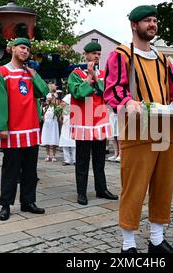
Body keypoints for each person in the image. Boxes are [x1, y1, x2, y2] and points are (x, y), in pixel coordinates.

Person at [104, 5, 173, 253]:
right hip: (136, 130)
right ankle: (128, 244)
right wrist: (127, 101)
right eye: (147, 21)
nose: (152, 24)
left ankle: (156, 239)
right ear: (134, 25)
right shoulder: (121, 55)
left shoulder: (163, 59)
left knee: (163, 185)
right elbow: (113, 89)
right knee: (134, 187)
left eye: (154, 20)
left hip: (164, 128)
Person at [0, 38, 50, 221]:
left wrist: (34, 76)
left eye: (28, 49)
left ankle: (28, 201)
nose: (25, 51)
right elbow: (0, 102)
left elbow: (43, 91)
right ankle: (5, 205)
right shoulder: (2, 73)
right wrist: (1, 126)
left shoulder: (30, 73)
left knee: (31, 170)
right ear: (12, 49)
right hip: (13, 130)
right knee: (10, 170)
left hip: (31, 128)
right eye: (22, 47)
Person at [68, 41, 118, 206]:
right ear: (86, 55)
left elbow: (108, 94)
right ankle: (81, 193)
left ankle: (101, 189)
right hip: (83, 122)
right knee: (82, 160)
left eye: (99, 53)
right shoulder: (75, 74)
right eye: (94, 53)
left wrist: (96, 77)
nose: (97, 56)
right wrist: (89, 77)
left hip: (100, 121)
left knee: (99, 160)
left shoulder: (103, 73)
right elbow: (79, 93)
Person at [41, 84, 60, 162]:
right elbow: (44, 105)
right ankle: (48, 155)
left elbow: (58, 107)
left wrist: (53, 100)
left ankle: (54, 155)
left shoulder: (56, 99)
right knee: (47, 138)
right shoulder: (46, 102)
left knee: (53, 138)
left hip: (53, 121)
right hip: (47, 121)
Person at [59, 92, 76, 166]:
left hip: (71, 128)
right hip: (65, 128)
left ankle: (75, 159)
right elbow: (62, 120)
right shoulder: (63, 110)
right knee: (65, 144)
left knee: (73, 145)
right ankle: (67, 160)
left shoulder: (73, 109)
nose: (62, 103)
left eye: (63, 102)